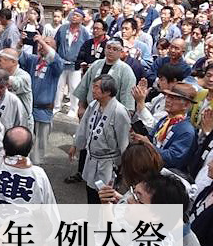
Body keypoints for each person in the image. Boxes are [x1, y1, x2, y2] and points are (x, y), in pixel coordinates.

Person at [70, 74, 131, 204]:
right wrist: (75, 145)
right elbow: (83, 126)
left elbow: (124, 141)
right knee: (90, 194)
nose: (93, 90)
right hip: (92, 158)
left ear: (107, 92)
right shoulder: (93, 105)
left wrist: (123, 167)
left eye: (97, 87)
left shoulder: (120, 112)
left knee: (104, 198)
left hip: (108, 163)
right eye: (93, 87)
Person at [19, 36, 65, 164]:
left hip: (44, 110)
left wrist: (41, 41)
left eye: (47, 44)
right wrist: (20, 41)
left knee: (39, 143)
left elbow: (53, 56)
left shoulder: (57, 64)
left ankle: (36, 167)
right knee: (24, 138)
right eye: (40, 44)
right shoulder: (33, 60)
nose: (41, 45)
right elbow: (17, 55)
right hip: (28, 107)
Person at [133, 82, 198, 173]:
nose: (167, 100)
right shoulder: (165, 120)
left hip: (166, 176)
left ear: (186, 105)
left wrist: (149, 145)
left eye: (173, 98)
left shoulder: (186, 131)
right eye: (167, 96)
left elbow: (173, 158)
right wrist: (140, 139)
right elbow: (151, 138)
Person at [74, 38, 137, 115]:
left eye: (115, 49)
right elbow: (84, 88)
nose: (110, 51)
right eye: (108, 48)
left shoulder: (126, 71)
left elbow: (127, 99)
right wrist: (81, 107)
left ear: (121, 51)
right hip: (90, 109)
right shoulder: (96, 64)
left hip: (112, 114)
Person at [54, 8, 91, 115]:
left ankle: (73, 109)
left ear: (82, 19)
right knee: (59, 86)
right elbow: (56, 43)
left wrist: (83, 61)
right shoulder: (63, 28)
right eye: (73, 15)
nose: (74, 17)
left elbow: (87, 47)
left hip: (75, 64)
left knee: (74, 87)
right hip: (61, 61)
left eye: (77, 16)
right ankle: (56, 106)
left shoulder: (84, 32)